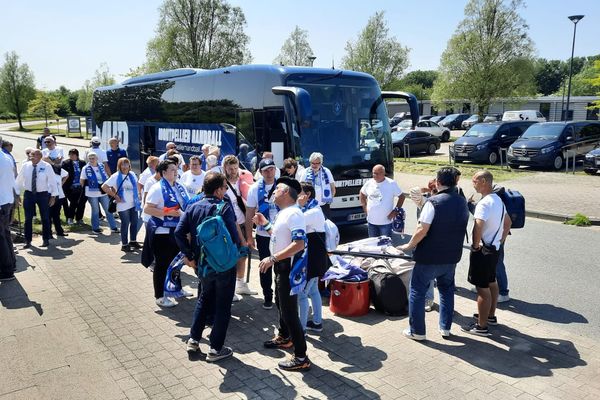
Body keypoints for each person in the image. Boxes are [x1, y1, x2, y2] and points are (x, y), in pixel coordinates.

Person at [176, 172, 241, 361]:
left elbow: (179, 233)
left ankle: (193, 340)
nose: (225, 191)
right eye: (225, 188)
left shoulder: (193, 207)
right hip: (223, 266)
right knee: (222, 306)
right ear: (219, 189)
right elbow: (234, 238)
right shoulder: (224, 208)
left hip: (202, 265)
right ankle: (215, 349)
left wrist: (189, 255)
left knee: (203, 300)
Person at [399, 167, 469, 341]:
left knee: (417, 291)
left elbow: (422, 229)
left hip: (429, 257)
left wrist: (409, 245)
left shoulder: (433, 202)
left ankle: (417, 331)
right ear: (456, 182)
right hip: (451, 257)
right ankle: (445, 327)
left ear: (438, 182)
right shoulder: (462, 201)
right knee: (447, 291)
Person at [254, 176, 310, 371]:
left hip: (287, 268)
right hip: (281, 266)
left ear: (286, 192)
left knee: (289, 312)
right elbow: (280, 237)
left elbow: (299, 243)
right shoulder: (284, 213)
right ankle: (285, 337)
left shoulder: (294, 214)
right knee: (281, 304)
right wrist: (265, 223)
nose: (274, 191)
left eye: (277, 189)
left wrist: (272, 259)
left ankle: (301, 356)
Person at [462, 170, 511, 336]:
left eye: (475, 180)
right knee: (492, 282)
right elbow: (508, 222)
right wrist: (500, 241)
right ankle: (490, 316)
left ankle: (481, 327)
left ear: (484, 181)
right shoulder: (498, 200)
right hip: (494, 248)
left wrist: (476, 245)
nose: (473, 184)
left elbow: (478, 226)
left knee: (482, 288)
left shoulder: (483, 203)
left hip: (483, 250)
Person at [144, 160, 191, 307]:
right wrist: (168, 212)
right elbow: (147, 208)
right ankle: (159, 296)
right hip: (162, 232)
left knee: (177, 262)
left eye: (176, 169)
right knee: (162, 264)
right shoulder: (157, 188)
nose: (176, 172)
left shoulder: (179, 186)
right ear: (163, 172)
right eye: (172, 170)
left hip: (177, 231)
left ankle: (176, 289)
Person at [245, 159, 279, 309]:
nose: (269, 172)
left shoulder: (283, 187)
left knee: (281, 266)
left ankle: (280, 296)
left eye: (271, 169)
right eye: (265, 170)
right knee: (265, 267)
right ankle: (267, 295)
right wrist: (249, 236)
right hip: (263, 235)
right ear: (260, 172)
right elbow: (249, 213)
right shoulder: (254, 189)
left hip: (280, 234)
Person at [222, 155, 255, 297]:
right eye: (230, 169)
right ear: (225, 168)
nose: (234, 171)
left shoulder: (244, 180)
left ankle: (240, 284)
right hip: (227, 224)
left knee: (243, 254)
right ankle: (229, 288)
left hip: (243, 221)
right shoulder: (221, 182)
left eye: (236, 168)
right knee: (229, 256)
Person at [297, 182, 328, 333]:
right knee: (314, 290)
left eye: (299, 192)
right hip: (316, 258)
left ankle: (300, 329)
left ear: (307, 195)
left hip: (312, 260)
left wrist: (297, 205)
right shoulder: (314, 209)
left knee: (302, 295)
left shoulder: (312, 212)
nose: (296, 195)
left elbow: (295, 220)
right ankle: (317, 323)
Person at [15, 149, 58, 248]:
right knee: (28, 219)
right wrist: (17, 195)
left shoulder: (46, 166)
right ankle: (27, 240)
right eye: (30, 155)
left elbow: (52, 182)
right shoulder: (26, 165)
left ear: (39, 156)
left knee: (45, 218)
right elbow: (18, 181)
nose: (31, 156)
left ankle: (46, 239)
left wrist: (53, 196)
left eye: (33, 155)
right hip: (29, 194)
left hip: (43, 195)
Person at [102, 158, 142, 252]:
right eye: (122, 165)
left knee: (135, 223)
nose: (124, 167)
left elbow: (136, 186)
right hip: (123, 205)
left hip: (133, 203)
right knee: (125, 224)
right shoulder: (115, 176)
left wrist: (139, 196)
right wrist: (115, 196)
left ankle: (133, 241)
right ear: (119, 166)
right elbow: (104, 187)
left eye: (126, 164)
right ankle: (124, 244)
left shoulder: (132, 174)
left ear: (129, 165)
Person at [359, 164, 405, 238]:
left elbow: (402, 197)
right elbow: (362, 193)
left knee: (385, 246)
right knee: (373, 246)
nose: (375, 175)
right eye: (374, 173)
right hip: (371, 222)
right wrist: (364, 207)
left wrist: (395, 211)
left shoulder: (391, 183)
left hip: (386, 223)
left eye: (378, 173)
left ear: (383, 173)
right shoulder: (369, 183)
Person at [80, 152, 118, 234]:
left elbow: (106, 178)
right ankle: (95, 228)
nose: (91, 160)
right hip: (92, 193)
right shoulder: (85, 168)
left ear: (97, 158)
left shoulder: (101, 166)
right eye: (89, 158)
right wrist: (82, 190)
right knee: (95, 211)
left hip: (102, 192)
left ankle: (113, 227)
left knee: (108, 210)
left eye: (93, 158)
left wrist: (109, 187)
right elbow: (82, 180)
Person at [299, 152, 335, 219]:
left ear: (321, 163)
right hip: (309, 206)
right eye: (313, 163)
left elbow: (332, 187)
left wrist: (329, 200)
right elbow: (300, 188)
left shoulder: (327, 171)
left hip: (324, 206)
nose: (314, 165)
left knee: (325, 226)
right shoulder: (305, 172)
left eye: (317, 163)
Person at [0, 135, 17, 281]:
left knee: (2, 237)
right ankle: (11, 265)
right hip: (6, 201)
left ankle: (6, 271)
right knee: (5, 234)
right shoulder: (6, 157)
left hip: (2, 202)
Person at [61, 149, 87, 225]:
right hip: (70, 187)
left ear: (77, 155)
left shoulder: (82, 163)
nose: (71, 156)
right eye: (70, 154)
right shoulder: (66, 163)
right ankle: (70, 217)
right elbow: (63, 174)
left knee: (81, 203)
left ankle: (79, 218)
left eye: (73, 154)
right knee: (73, 202)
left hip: (81, 186)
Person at [49, 165, 68, 238]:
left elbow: (67, 174)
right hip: (49, 196)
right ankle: (49, 233)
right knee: (48, 215)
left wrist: (61, 183)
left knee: (56, 215)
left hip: (59, 196)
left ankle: (59, 231)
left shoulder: (58, 170)